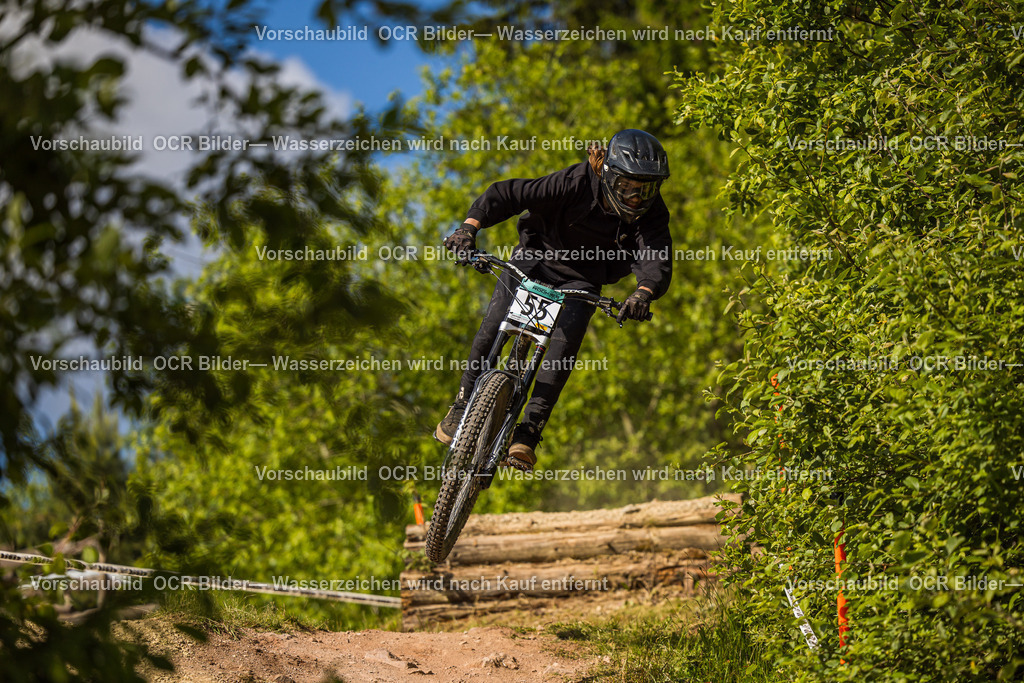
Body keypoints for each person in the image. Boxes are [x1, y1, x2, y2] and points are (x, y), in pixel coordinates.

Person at [435, 129, 672, 472]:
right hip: (535, 258)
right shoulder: (574, 181)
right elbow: (506, 194)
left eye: (645, 189)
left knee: (561, 352)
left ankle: (528, 434)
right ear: (608, 175)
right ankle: (461, 405)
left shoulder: (652, 215)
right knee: (492, 326)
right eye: (627, 187)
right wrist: (469, 228)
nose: (635, 198)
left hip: (583, 279)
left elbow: (656, 258)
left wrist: (643, 293)